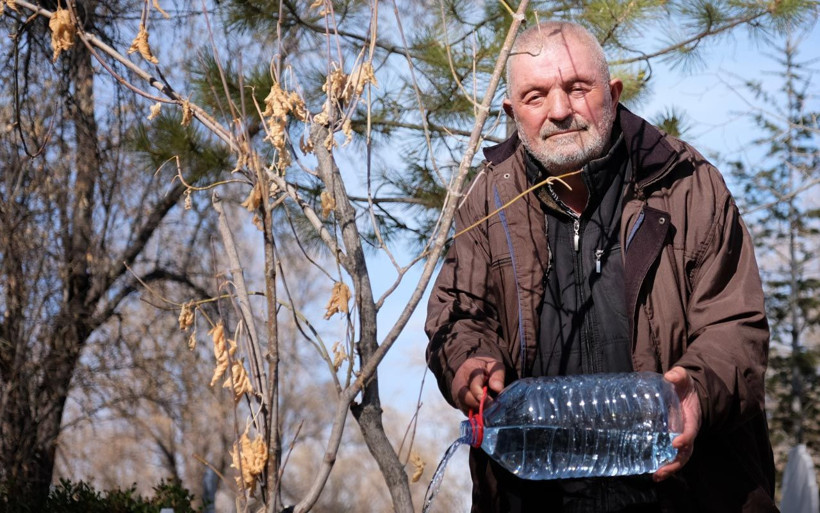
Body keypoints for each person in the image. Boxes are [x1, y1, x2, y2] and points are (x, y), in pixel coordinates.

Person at [425, 20, 776, 513]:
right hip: (539, 499)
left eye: (577, 88)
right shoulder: (488, 201)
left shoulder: (686, 183)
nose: (560, 111)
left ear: (612, 93)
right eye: (536, 96)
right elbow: (458, 314)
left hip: (688, 495)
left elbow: (736, 325)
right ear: (511, 112)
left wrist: (695, 390)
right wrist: (469, 360)